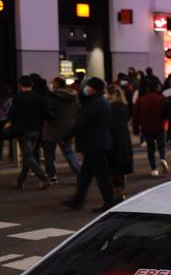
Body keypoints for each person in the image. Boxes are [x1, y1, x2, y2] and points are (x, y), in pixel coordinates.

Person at [61, 77, 114, 211]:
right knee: (86, 174)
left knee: (102, 175)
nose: (85, 89)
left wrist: (66, 136)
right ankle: (78, 200)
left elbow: (81, 122)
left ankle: (109, 202)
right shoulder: (99, 101)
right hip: (96, 142)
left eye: (88, 86)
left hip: (95, 143)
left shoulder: (95, 103)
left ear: (93, 89)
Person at [8, 74, 51, 190]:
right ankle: (20, 181)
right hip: (37, 130)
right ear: (32, 85)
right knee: (29, 156)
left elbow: (12, 114)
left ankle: (44, 178)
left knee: (28, 156)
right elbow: (48, 114)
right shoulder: (39, 98)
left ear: (20, 84)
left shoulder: (18, 98)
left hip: (23, 131)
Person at [41, 77, 81, 184]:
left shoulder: (52, 96)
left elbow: (47, 111)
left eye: (53, 82)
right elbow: (78, 110)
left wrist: (50, 119)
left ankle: (52, 176)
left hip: (51, 128)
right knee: (68, 152)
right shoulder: (74, 95)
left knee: (49, 154)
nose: (52, 84)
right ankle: (79, 173)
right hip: (68, 127)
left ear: (57, 84)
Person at [132, 82, 169, 177]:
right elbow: (167, 113)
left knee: (150, 148)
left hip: (146, 127)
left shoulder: (141, 100)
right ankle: (163, 159)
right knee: (162, 146)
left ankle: (154, 169)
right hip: (160, 126)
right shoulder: (162, 99)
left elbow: (136, 116)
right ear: (157, 88)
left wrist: (135, 129)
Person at [105, 85, 134, 202]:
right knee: (121, 167)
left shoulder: (110, 107)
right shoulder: (124, 106)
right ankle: (121, 189)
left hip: (113, 139)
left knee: (114, 167)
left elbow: (110, 125)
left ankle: (117, 191)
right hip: (124, 138)